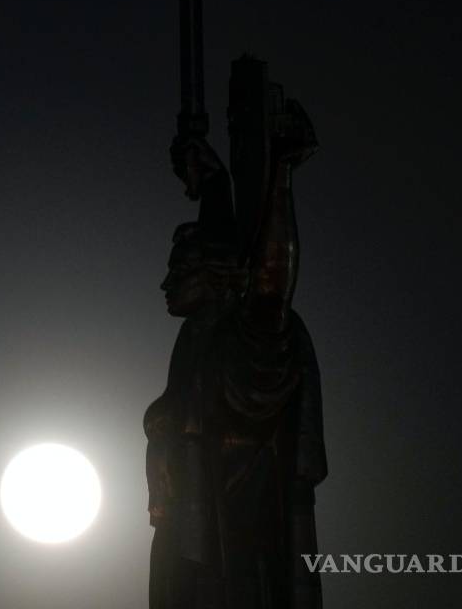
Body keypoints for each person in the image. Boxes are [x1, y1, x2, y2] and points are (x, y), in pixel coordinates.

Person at [145, 114, 327, 609]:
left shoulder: (244, 341)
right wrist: (211, 179)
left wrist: (281, 175)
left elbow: (271, 285)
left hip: (227, 555)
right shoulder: (197, 341)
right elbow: (224, 232)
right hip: (180, 546)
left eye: (180, 270)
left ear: (215, 275)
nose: (166, 284)